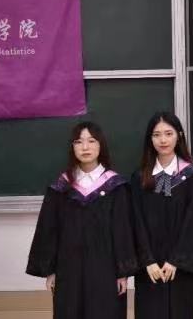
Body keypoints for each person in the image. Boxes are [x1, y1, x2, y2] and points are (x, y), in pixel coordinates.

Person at [26, 122, 138, 319]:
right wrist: (51, 270)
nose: (85, 147)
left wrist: (123, 272)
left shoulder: (116, 187)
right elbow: (50, 230)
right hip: (68, 269)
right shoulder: (61, 187)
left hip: (106, 269)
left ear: (101, 145)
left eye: (91, 141)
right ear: (73, 147)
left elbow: (123, 231)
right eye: (79, 142)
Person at [131, 112, 193, 319]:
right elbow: (135, 222)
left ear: (179, 136)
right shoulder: (139, 178)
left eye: (168, 133)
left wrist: (176, 260)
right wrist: (148, 260)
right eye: (156, 135)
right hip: (149, 269)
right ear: (150, 139)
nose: (163, 140)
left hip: (181, 269)